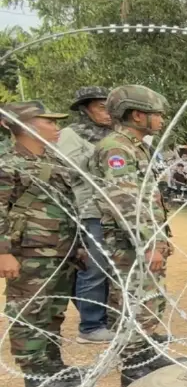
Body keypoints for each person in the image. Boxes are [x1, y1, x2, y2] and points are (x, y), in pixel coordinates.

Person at [91, 85, 181, 385]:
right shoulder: (116, 148)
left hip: (144, 237)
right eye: (157, 114)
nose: (161, 119)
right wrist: (149, 242)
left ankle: (148, 353)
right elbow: (125, 201)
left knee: (149, 299)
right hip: (131, 241)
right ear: (138, 114)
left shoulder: (137, 146)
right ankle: (133, 365)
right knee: (131, 299)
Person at [0, 102, 90, 387]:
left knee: (53, 311)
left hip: (60, 249)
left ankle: (52, 366)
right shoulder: (7, 163)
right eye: (48, 122)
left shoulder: (54, 160)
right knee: (29, 311)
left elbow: (67, 207)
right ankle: (35, 374)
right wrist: (3, 253)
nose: (56, 127)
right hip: (28, 253)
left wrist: (78, 244)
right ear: (25, 125)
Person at [55, 86, 114, 343]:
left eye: (110, 106)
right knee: (95, 267)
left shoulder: (116, 134)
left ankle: (112, 318)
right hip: (91, 209)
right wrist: (102, 151)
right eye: (101, 107)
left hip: (116, 210)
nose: (107, 112)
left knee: (117, 267)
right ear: (85, 109)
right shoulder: (71, 134)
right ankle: (90, 325)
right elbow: (69, 169)